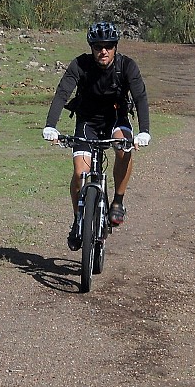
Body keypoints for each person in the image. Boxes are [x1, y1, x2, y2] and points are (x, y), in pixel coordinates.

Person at [43, 21, 151, 250]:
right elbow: (63, 92)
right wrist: (50, 126)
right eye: (98, 46)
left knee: (124, 148)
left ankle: (118, 201)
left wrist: (144, 132)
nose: (104, 50)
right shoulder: (80, 65)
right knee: (80, 173)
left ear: (115, 46)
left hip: (116, 118)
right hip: (87, 121)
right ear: (91, 47)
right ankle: (78, 220)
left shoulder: (127, 66)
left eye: (109, 45)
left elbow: (140, 97)